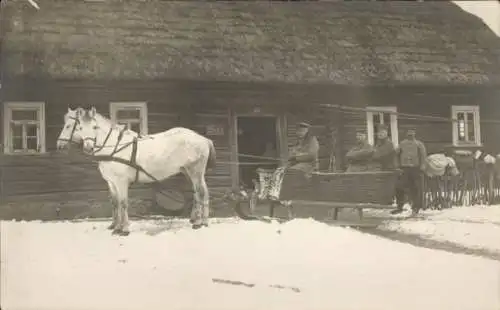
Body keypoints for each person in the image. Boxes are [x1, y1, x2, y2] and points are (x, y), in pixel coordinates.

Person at [267, 121, 319, 201]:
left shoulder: (312, 140)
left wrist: (296, 158)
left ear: (307, 131)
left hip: (309, 165)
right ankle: (276, 194)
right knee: (280, 171)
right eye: (299, 131)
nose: (300, 133)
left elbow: (311, 156)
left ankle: (286, 197)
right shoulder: (298, 142)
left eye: (303, 131)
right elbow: (292, 155)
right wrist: (290, 159)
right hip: (297, 165)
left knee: (291, 171)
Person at [392, 128, 427, 216]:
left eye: (412, 133)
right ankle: (399, 206)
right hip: (404, 169)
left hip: (415, 169)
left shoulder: (419, 144)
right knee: (399, 187)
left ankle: (416, 208)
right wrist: (396, 166)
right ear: (406, 134)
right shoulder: (402, 144)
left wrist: (422, 166)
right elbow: (396, 155)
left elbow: (423, 156)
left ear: (415, 134)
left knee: (415, 188)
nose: (410, 135)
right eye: (409, 133)